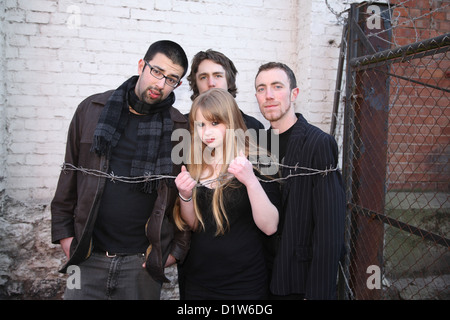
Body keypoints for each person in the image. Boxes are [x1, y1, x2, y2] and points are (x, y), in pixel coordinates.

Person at [51, 40, 190, 300]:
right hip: (85, 257)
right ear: (141, 65)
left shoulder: (179, 128)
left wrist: (175, 251)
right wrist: (65, 237)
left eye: (172, 79)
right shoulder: (92, 110)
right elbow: (68, 174)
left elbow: (184, 192)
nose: (160, 84)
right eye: (156, 72)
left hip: (142, 265)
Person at [173, 88, 281, 299]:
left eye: (215, 123)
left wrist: (250, 181)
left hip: (244, 285)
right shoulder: (195, 163)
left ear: (230, 121)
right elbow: (195, 225)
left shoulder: (259, 160)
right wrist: (185, 195)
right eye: (201, 125)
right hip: (199, 282)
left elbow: (270, 227)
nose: (207, 132)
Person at [254, 62, 346, 300]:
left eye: (277, 86)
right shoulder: (258, 145)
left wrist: (318, 293)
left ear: (294, 93)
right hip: (262, 275)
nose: (269, 95)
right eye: (262, 89)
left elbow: (330, 229)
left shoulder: (318, 143)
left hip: (299, 278)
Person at [187, 49, 265, 132]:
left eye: (217, 76)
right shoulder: (183, 126)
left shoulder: (254, 127)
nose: (211, 83)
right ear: (196, 84)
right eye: (203, 77)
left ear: (229, 81)